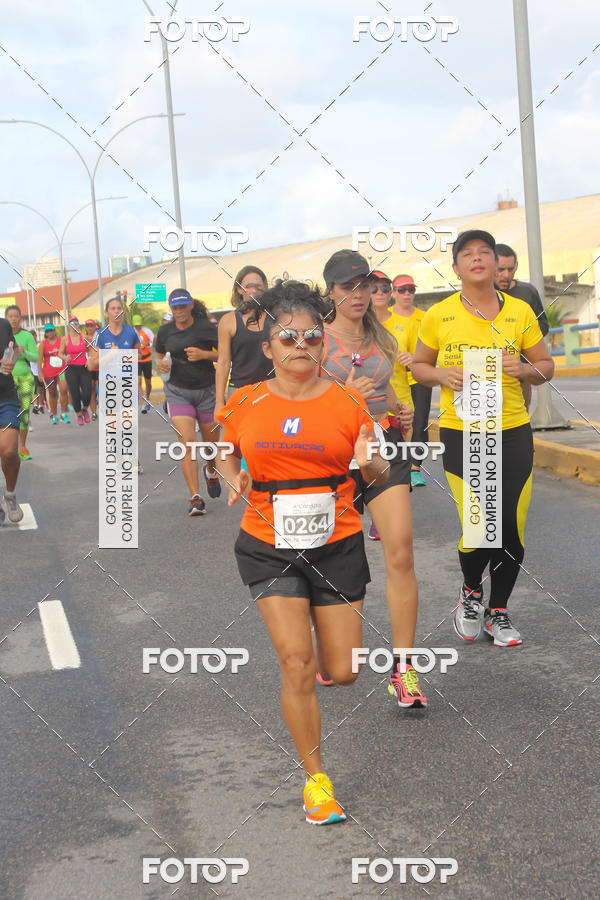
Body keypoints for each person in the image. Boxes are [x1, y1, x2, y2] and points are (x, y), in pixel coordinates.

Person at [215, 280, 387, 824]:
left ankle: (325, 640)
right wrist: (232, 473)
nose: (301, 344)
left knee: (345, 670)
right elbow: (223, 454)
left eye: (312, 336)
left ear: (322, 344)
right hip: (268, 545)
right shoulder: (246, 401)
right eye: (287, 336)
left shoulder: (348, 401)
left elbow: (379, 468)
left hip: (336, 543)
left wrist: (371, 462)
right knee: (295, 662)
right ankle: (316, 781)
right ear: (268, 347)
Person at [412, 229, 554, 647]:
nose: (477, 259)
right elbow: (419, 366)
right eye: (467, 254)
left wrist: (523, 369)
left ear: (497, 264)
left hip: (511, 429)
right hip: (464, 432)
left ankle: (499, 612)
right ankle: (471, 590)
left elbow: (546, 366)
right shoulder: (438, 315)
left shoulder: (520, 311)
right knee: (480, 527)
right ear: (456, 268)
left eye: (485, 253)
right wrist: (440, 374)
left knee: (511, 526)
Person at [320, 249, 426, 709]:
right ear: (332, 293)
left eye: (364, 285)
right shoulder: (315, 340)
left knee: (400, 549)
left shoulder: (383, 335)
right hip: (331, 453)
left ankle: (404, 669)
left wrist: (399, 411)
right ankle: (332, 646)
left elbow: (394, 390)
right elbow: (293, 396)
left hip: (384, 445)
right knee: (333, 558)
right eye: (348, 287)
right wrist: (342, 395)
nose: (358, 294)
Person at [155, 289, 220, 515]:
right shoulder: (165, 331)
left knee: (210, 445)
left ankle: (210, 470)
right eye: (175, 307)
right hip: (177, 391)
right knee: (188, 442)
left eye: (183, 306)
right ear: (171, 308)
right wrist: (161, 364)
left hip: (206, 391)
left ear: (191, 305)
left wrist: (204, 355)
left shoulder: (205, 327)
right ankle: (195, 497)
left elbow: (224, 354)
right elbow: (158, 353)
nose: (180, 311)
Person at [495, 243, 549, 410]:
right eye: (500, 269)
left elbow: (543, 324)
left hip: (519, 370)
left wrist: (520, 335)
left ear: (516, 267)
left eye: (510, 269)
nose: (506, 275)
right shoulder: (481, 293)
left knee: (520, 416)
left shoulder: (527, 292)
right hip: (486, 372)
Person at [214, 265, 272, 414]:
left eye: (258, 287)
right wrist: (219, 401)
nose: (253, 291)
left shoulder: (276, 317)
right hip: (240, 391)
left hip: (272, 390)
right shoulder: (228, 321)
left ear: (265, 288)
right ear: (239, 289)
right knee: (236, 437)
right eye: (248, 286)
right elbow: (223, 362)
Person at [390, 274, 431, 487]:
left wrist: (416, 359)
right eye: (402, 289)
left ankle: (415, 468)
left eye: (411, 289)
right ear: (393, 292)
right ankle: (397, 465)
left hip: (419, 376)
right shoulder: (385, 316)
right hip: (396, 378)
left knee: (419, 422)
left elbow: (435, 348)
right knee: (396, 422)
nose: (407, 294)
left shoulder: (425, 317)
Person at [5, 305, 38, 460]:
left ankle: (22, 447)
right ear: (6, 318)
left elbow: (36, 357)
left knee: (24, 412)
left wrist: (25, 352)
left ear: (20, 318)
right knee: (6, 414)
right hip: (6, 380)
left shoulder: (27, 336)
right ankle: (9, 446)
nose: (13, 319)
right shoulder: (2, 335)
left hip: (25, 378)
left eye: (16, 316)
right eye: (10, 316)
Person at [0, 316, 24, 523]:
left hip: (6, 397)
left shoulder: (3, 325)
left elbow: (14, 349)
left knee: (8, 451)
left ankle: (10, 494)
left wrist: (12, 361)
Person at [60, 316, 92, 426]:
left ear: (78, 324)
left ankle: (85, 409)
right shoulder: (65, 339)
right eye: (72, 322)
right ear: (69, 325)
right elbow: (60, 353)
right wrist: (65, 358)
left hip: (84, 368)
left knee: (88, 392)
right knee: (75, 394)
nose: (74, 324)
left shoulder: (84, 337)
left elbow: (91, 350)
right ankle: (79, 415)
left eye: (76, 322)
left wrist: (89, 359)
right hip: (71, 369)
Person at [38, 323, 70, 424]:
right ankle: (54, 415)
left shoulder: (61, 340)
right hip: (49, 372)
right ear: (45, 333)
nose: (49, 333)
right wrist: (40, 372)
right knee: (52, 394)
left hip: (61, 371)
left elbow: (67, 353)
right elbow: (39, 360)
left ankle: (64, 414)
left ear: (54, 331)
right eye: (47, 331)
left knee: (64, 390)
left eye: (51, 330)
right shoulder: (43, 344)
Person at [132, 313, 155, 413]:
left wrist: (147, 344)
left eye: (139, 325)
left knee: (148, 383)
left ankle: (147, 398)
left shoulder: (147, 331)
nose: (138, 327)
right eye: (136, 325)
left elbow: (154, 343)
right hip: (137, 360)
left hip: (147, 359)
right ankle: (143, 403)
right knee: (139, 381)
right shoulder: (131, 332)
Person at [84, 319, 99, 419]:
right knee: (91, 390)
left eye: (91, 326)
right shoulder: (84, 339)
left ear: (95, 327)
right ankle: (94, 412)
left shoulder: (99, 337)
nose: (89, 328)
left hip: (99, 367)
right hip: (89, 367)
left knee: (100, 389)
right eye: (88, 326)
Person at [29, 328, 46, 415]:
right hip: (32, 371)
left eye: (34, 337)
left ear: (36, 336)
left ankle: (41, 405)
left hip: (41, 370)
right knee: (34, 390)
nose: (33, 339)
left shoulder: (39, 345)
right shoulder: (28, 347)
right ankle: (36, 406)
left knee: (41, 389)